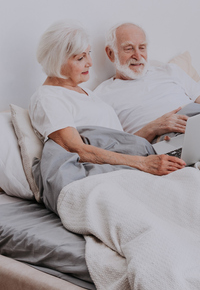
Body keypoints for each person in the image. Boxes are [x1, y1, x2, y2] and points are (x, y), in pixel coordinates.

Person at [30, 21, 185, 176]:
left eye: (89, 54)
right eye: (80, 58)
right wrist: (143, 163)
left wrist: (154, 129)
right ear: (57, 61)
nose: (90, 63)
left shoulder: (86, 93)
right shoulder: (48, 98)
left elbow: (117, 144)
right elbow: (76, 149)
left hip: (133, 160)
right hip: (115, 170)